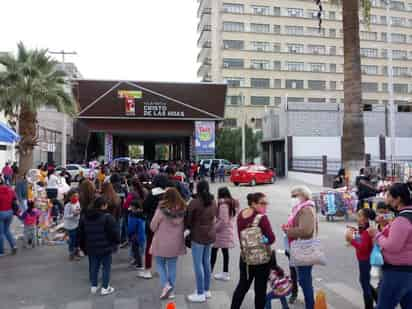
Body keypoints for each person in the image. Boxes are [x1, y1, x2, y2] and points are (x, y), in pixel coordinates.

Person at [368, 183, 412, 309]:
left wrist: (377, 234)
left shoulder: (402, 220)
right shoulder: (406, 216)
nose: (386, 198)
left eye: (388, 195)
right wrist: (387, 226)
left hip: (397, 273)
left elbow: (392, 246)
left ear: (398, 199)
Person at [230, 192, 275, 309]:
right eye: (262, 203)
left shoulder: (241, 215)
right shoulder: (262, 218)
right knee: (260, 291)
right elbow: (271, 238)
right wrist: (264, 240)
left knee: (242, 287)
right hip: (262, 261)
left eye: (266, 203)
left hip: (246, 258)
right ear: (254, 203)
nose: (265, 206)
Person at [281, 186, 316, 309]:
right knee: (303, 279)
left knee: (304, 281)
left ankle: (310, 305)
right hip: (297, 247)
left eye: (295, 196)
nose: (293, 199)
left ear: (303, 195)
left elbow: (306, 231)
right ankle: (310, 304)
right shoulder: (298, 208)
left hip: (303, 248)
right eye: (292, 196)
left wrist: (289, 231)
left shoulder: (306, 209)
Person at [79, 197, 120, 296]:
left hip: (91, 247)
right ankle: (105, 287)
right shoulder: (107, 217)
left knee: (93, 266)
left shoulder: (85, 217)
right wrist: (116, 243)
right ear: (103, 206)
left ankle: (94, 286)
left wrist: (83, 247)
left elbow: (81, 234)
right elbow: (114, 233)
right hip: (105, 247)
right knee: (106, 267)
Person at [150, 188, 187, 299]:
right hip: (176, 242)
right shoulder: (183, 209)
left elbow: (152, 226)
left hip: (161, 242)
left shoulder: (161, 210)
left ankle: (166, 285)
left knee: (160, 265)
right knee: (172, 267)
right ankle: (171, 292)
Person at [185, 180, 217, 303]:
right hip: (209, 234)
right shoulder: (213, 201)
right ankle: (206, 290)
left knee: (198, 264)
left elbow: (188, 219)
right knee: (206, 262)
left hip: (198, 235)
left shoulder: (195, 202)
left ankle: (200, 292)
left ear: (197, 189)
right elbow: (215, 216)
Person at [345, 208, 377, 309]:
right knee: (365, 281)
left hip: (365, 260)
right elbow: (361, 241)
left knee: (365, 283)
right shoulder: (364, 229)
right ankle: (379, 301)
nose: (357, 218)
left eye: (360, 216)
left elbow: (363, 248)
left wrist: (351, 240)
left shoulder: (368, 231)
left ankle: (369, 306)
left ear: (366, 219)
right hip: (363, 260)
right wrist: (355, 232)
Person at [141, 174, 169, 279]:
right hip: (165, 223)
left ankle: (148, 270)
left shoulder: (152, 193)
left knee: (149, 246)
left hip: (151, 221)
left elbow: (145, 207)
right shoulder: (168, 193)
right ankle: (161, 269)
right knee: (162, 246)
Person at [211, 187, 239, 281]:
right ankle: (225, 273)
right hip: (228, 230)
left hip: (221, 232)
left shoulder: (223, 205)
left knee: (214, 251)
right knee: (224, 252)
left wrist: (214, 228)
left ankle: (209, 272)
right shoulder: (232, 203)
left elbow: (223, 221)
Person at [0, 177, 17, 256]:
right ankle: (13, 246)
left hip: (1, 213)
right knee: (7, 230)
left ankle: (1, 251)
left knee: (1, 233)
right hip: (10, 212)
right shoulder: (10, 190)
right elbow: (15, 199)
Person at [128, 199, 146, 271]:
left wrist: (129, 233)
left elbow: (131, 227)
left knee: (136, 250)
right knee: (137, 249)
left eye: (131, 206)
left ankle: (139, 264)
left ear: (134, 207)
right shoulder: (142, 214)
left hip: (135, 235)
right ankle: (136, 262)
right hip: (141, 235)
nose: (130, 207)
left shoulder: (133, 215)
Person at [64, 190, 81, 261]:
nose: (76, 198)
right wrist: (73, 214)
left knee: (77, 239)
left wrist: (79, 211)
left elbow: (78, 210)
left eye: (77, 196)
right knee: (72, 240)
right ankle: (71, 254)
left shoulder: (78, 203)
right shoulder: (68, 205)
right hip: (70, 226)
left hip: (77, 223)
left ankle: (77, 252)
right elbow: (66, 216)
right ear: (70, 197)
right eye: (74, 196)